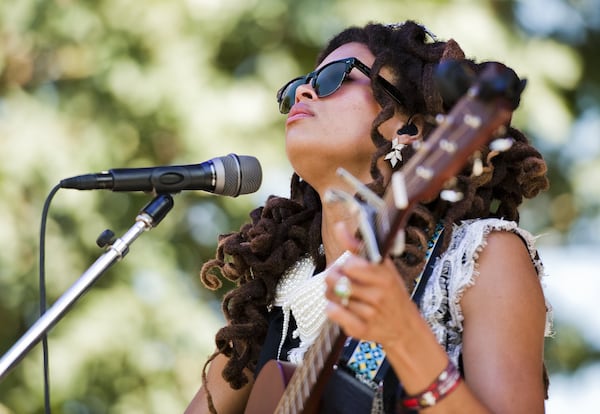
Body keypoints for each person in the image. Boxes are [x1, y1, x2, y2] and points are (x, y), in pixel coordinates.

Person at [185, 20, 552, 413]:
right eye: (295, 88)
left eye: (333, 78)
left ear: (411, 130)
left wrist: (404, 337)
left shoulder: (478, 257)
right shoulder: (276, 299)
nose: (303, 93)